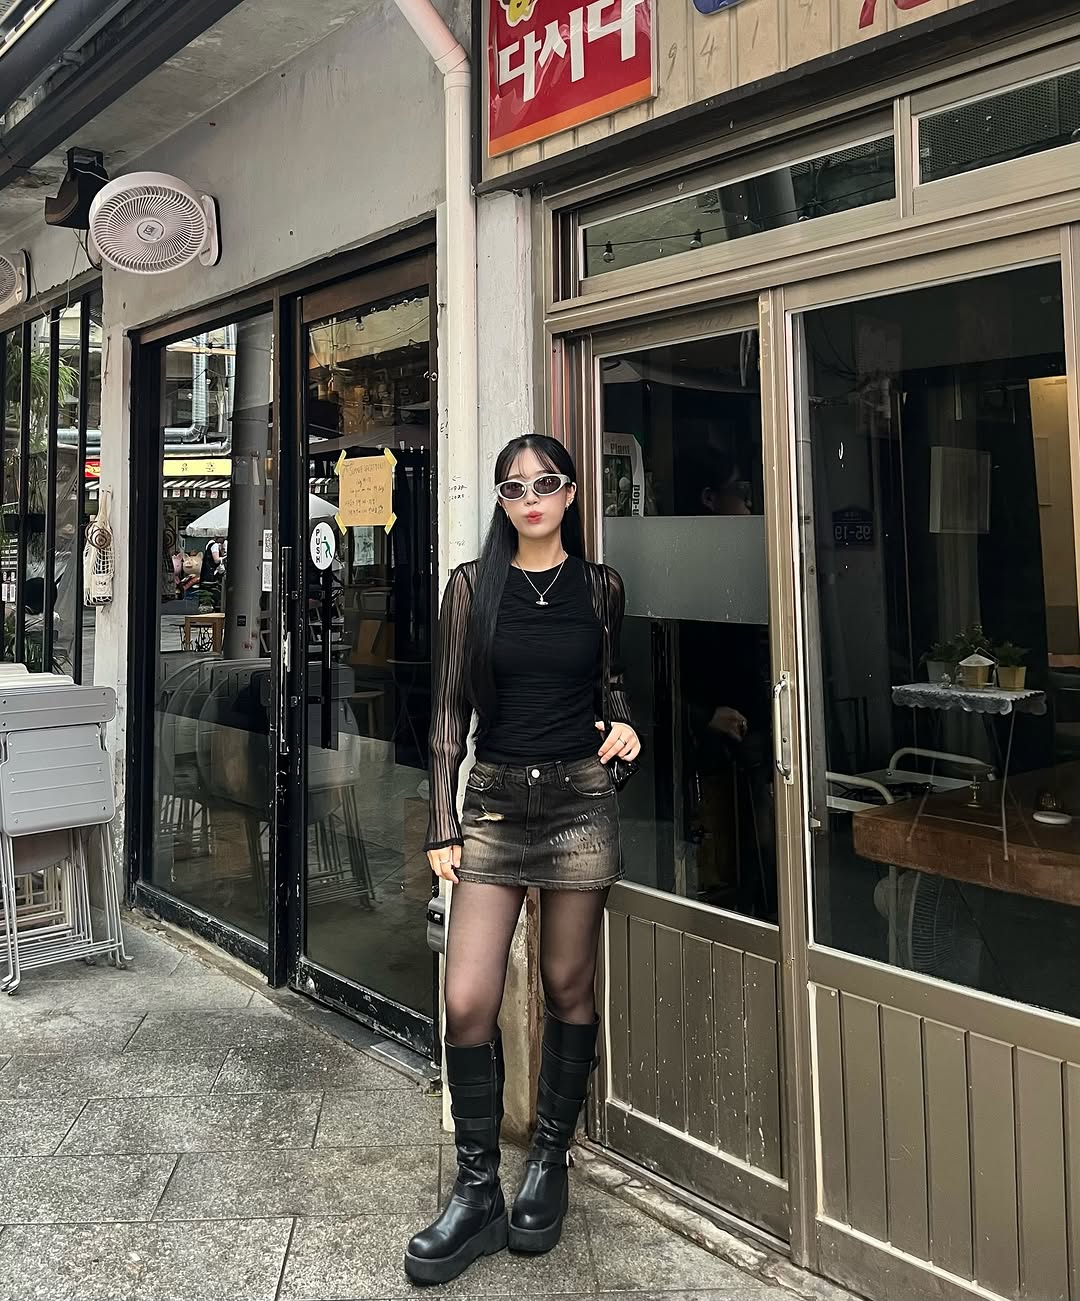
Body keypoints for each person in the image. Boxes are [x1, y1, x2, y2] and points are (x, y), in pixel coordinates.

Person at [404, 435, 640, 1286]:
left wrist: (625, 730)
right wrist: (442, 821)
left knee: (567, 982)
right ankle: (477, 1191)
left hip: (580, 800)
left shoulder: (602, 587)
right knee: (467, 997)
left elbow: (609, 688)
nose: (530, 497)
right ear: (502, 502)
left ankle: (548, 1159)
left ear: (571, 493)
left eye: (546, 483)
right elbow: (446, 716)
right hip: (496, 804)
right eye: (514, 487)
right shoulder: (472, 587)